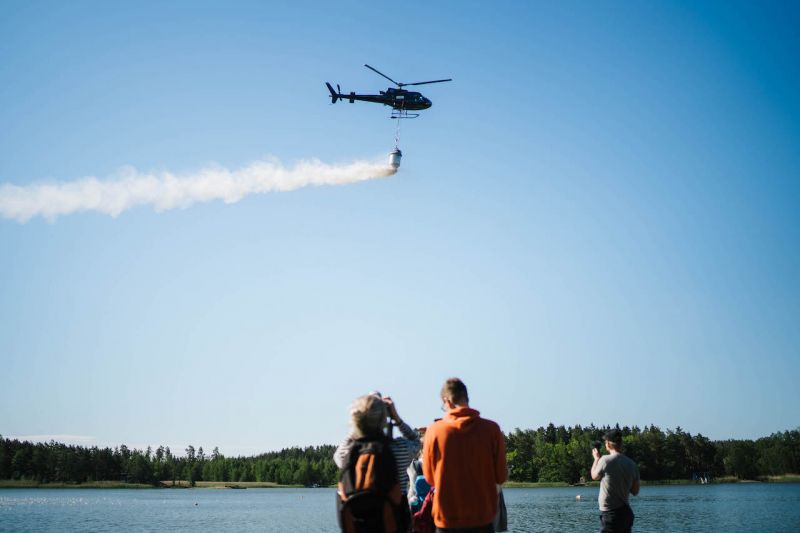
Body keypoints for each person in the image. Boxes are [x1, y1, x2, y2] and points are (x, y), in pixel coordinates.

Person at [423, 378, 507, 533]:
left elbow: (429, 478)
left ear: (446, 401)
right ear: (466, 398)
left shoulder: (434, 431)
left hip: (446, 519)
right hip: (482, 518)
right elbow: (501, 477)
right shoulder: (492, 430)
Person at [334, 391, 421, 495]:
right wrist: (397, 418)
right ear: (384, 419)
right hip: (392, 511)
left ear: (356, 420)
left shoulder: (347, 454)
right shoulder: (400, 449)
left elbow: (338, 454)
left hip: (360, 511)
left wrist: (362, 416)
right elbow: (416, 441)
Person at [590, 428, 640, 533]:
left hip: (610, 514)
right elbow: (635, 491)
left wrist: (596, 459)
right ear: (620, 444)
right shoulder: (632, 464)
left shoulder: (605, 460)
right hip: (626, 514)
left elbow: (594, 476)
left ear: (608, 443)